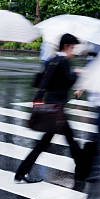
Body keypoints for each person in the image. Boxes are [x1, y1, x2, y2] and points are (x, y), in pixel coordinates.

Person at [15, 33, 82, 183]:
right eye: (73, 48)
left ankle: (21, 173)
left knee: (61, 142)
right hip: (57, 109)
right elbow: (68, 82)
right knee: (64, 142)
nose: (74, 51)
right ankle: (83, 171)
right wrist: (76, 74)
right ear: (66, 46)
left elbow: (41, 81)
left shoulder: (51, 60)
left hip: (51, 106)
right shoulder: (63, 62)